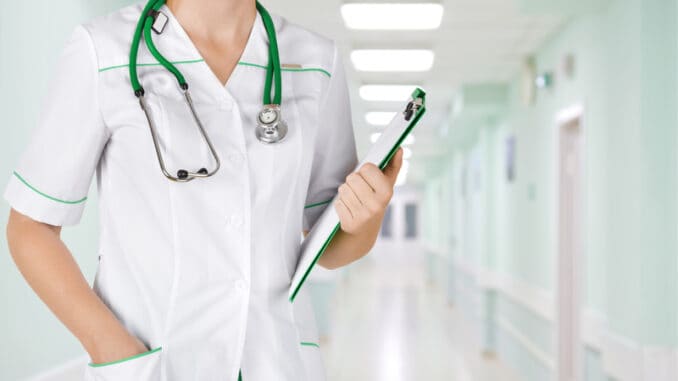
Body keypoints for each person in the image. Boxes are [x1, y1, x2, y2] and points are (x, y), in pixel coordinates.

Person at [4, 0, 403, 380]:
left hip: (277, 360)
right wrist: (112, 348)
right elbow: (30, 227)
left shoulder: (317, 61)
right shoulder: (104, 49)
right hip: (156, 363)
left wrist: (367, 219)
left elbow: (329, 248)